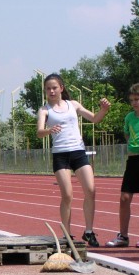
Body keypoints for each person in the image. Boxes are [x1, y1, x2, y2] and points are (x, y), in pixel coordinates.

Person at [36, 73, 110, 247]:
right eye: (48, 88)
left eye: (54, 87)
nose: (51, 91)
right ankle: (67, 234)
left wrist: (104, 110)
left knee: (91, 191)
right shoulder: (45, 110)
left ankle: (89, 231)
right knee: (67, 195)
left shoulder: (73, 105)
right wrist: (49, 130)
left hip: (78, 152)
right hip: (61, 155)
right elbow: (39, 132)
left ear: (61, 88)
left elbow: (94, 119)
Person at [106, 83, 139, 248]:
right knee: (124, 197)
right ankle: (123, 236)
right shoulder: (129, 117)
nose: (134, 103)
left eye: (137, 99)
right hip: (133, 160)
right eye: (131, 100)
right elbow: (127, 133)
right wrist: (132, 145)